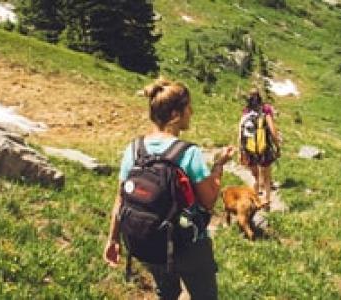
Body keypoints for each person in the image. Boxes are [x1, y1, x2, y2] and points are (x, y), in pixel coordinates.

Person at [103, 78, 234, 300]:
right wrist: (219, 166)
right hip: (188, 244)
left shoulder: (133, 149)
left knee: (167, 293)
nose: (191, 112)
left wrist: (113, 239)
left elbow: (121, 199)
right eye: (187, 108)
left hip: (150, 240)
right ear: (175, 115)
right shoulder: (188, 153)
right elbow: (209, 200)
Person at [238, 89, 281, 208]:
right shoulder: (265, 109)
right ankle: (266, 200)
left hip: (249, 149)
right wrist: (277, 146)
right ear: (260, 97)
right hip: (264, 148)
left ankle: (254, 200)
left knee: (255, 176)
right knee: (267, 177)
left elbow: (240, 132)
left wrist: (240, 151)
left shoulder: (246, 111)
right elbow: (272, 130)